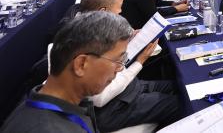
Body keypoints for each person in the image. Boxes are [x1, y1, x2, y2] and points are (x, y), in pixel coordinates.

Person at [0, 12, 132, 133]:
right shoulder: (46, 129)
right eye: (118, 60)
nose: (119, 68)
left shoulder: (62, 104)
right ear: (81, 64)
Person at [77, 0, 180, 131]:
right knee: (180, 104)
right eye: (118, 11)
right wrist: (139, 61)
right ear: (103, 12)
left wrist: (129, 40)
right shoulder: (85, 40)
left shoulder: (91, 28)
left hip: (127, 89)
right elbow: (100, 98)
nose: (121, 14)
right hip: (112, 108)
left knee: (179, 87)